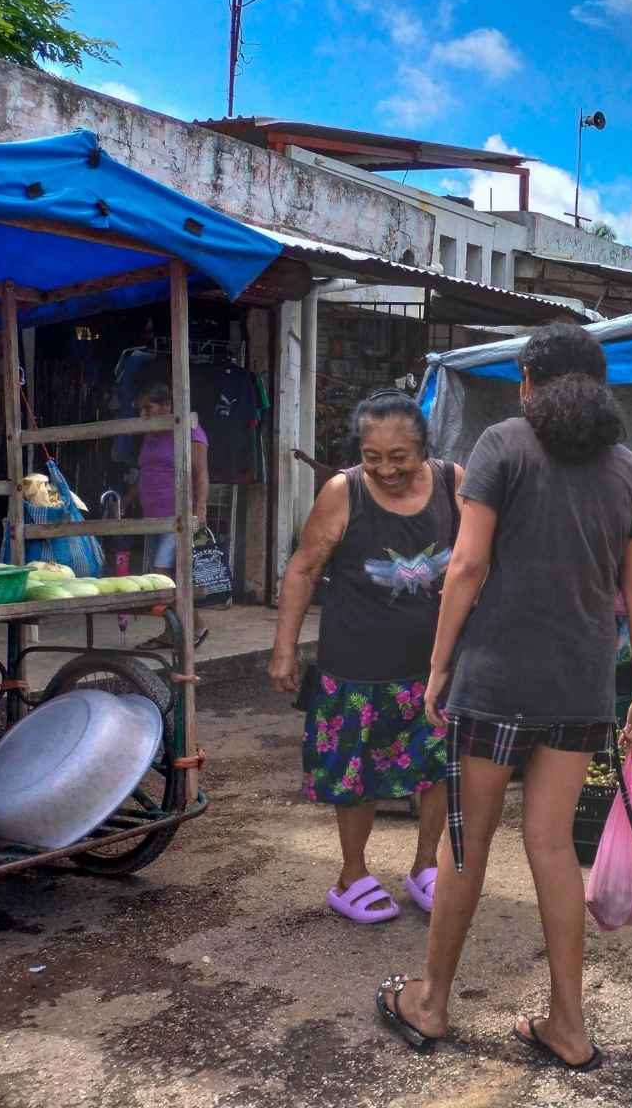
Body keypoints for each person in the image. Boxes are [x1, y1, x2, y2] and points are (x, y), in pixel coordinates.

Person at [378, 322, 632, 1068]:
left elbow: (465, 567)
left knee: (466, 844)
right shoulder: (630, 468)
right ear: (600, 388)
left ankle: (431, 1003)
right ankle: (569, 1025)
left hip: (498, 682)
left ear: (530, 384)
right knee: (553, 846)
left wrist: (438, 667)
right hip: (581, 685)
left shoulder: (502, 444)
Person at [268, 390, 460, 924]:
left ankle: (426, 865)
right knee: (354, 772)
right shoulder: (342, 490)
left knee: (438, 766)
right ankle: (352, 873)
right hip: (355, 665)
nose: (386, 469)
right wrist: (285, 648)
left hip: (432, 667)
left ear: (424, 446)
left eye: (399, 457)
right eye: (373, 457)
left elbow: (475, 561)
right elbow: (304, 568)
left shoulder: (451, 482)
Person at [126, 383, 209, 650]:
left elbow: (201, 474)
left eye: (148, 407)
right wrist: (126, 499)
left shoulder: (190, 431)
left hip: (179, 516)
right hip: (153, 516)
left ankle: (194, 625)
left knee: (164, 573)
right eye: (140, 409)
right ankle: (172, 630)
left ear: (167, 407)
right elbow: (147, 473)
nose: (143, 415)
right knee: (162, 574)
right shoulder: (150, 436)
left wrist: (200, 509)